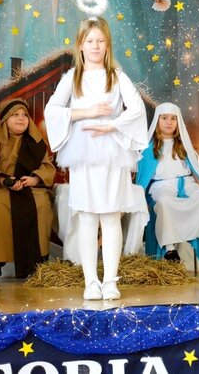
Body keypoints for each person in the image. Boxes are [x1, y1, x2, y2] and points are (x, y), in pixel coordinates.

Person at [45, 17, 147, 301]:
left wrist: (112, 125)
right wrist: (85, 113)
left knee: (111, 217)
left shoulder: (117, 76)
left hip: (112, 155)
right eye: (89, 41)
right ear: (80, 45)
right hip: (83, 156)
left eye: (100, 41)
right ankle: (91, 281)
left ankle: (111, 281)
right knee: (88, 218)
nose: (95, 46)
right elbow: (53, 110)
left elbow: (137, 108)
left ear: (108, 44)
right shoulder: (72, 78)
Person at [0, 98, 56, 284]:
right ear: (5, 119)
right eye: (15, 115)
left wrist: (35, 179)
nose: (21, 118)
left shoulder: (36, 141)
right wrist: (6, 180)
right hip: (2, 186)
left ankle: (40, 259)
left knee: (42, 203)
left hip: (29, 186)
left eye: (24, 115)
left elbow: (47, 167)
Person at [136, 103, 199, 268]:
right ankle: (170, 250)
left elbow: (195, 171)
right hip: (161, 185)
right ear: (157, 121)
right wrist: (140, 199)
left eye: (173, 119)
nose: (169, 122)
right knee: (164, 203)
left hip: (187, 182)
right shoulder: (148, 148)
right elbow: (143, 178)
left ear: (178, 122)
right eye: (164, 118)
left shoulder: (184, 145)